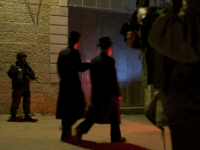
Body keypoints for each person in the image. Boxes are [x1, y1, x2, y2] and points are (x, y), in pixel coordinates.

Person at [126, 0, 200, 149]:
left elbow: (188, 39)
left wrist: (149, 21)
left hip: (190, 104)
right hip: (184, 101)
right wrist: (144, 40)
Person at [75, 37, 126, 143]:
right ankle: (115, 137)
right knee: (114, 114)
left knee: (94, 115)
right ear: (108, 48)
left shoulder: (94, 61)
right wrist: (118, 93)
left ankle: (81, 128)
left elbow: (92, 77)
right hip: (109, 93)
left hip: (97, 93)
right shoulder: (110, 60)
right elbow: (113, 78)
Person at [56, 31, 90, 141]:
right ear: (77, 41)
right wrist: (88, 64)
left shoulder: (62, 53)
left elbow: (59, 69)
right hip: (73, 85)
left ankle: (66, 133)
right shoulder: (75, 53)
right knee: (80, 106)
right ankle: (67, 128)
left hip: (64, 84)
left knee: (66, 109)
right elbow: (80, 67)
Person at [7, 52, 37, 122]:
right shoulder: (14, 66)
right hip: (17, 86)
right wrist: (17, 71)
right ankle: (13, 115)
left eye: (25, 58)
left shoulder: (27, 66)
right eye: (23, 58)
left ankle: (27, 115)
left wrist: (31, 78)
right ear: (19, 59)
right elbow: (9, 74)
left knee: (27, 101)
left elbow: (32, 73)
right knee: (16, 101)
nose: (24, 59)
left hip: (26, 86)